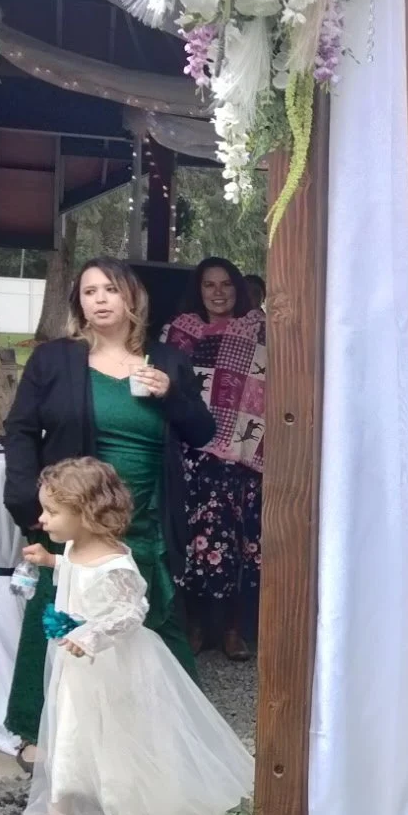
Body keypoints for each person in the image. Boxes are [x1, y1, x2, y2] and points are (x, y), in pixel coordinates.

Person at [2, 257, 214, 754]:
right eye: (89, 291)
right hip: (79, 516)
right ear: (79, 302)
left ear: (132, 297)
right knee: (59, 615)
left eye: (110, 290)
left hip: (146, 516)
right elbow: (21, 429)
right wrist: (26, 499)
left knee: (153, 614)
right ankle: (37, 731)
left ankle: (176, 731)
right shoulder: (54, 360)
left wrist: (171, 395)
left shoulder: (168, 361)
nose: (99, 299)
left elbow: (202, 432)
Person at [4, 458, 253, 815]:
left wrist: (92, 634)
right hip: (79, 667)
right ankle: (59, 812)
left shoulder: (116, 564)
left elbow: (132, 611)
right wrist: (53, 562)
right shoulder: (74, 546)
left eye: (52, 511)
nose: (42, 518)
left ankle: (132, 811)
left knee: (118, 738)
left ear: (86, 514)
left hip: (113, 666)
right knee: (68, 732)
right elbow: (77, 572)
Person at [160, 257, 266, 660]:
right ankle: (197, 625)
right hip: (192, 453)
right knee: (191, 542)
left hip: (240, 458)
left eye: (226, 284)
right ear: (198, 290)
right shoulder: (177, 334)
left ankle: (234, 630)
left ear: (238, 288)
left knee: (239, 543)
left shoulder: (260, 331)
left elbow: (271, 386)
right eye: (209, 285)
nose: (218, 292)